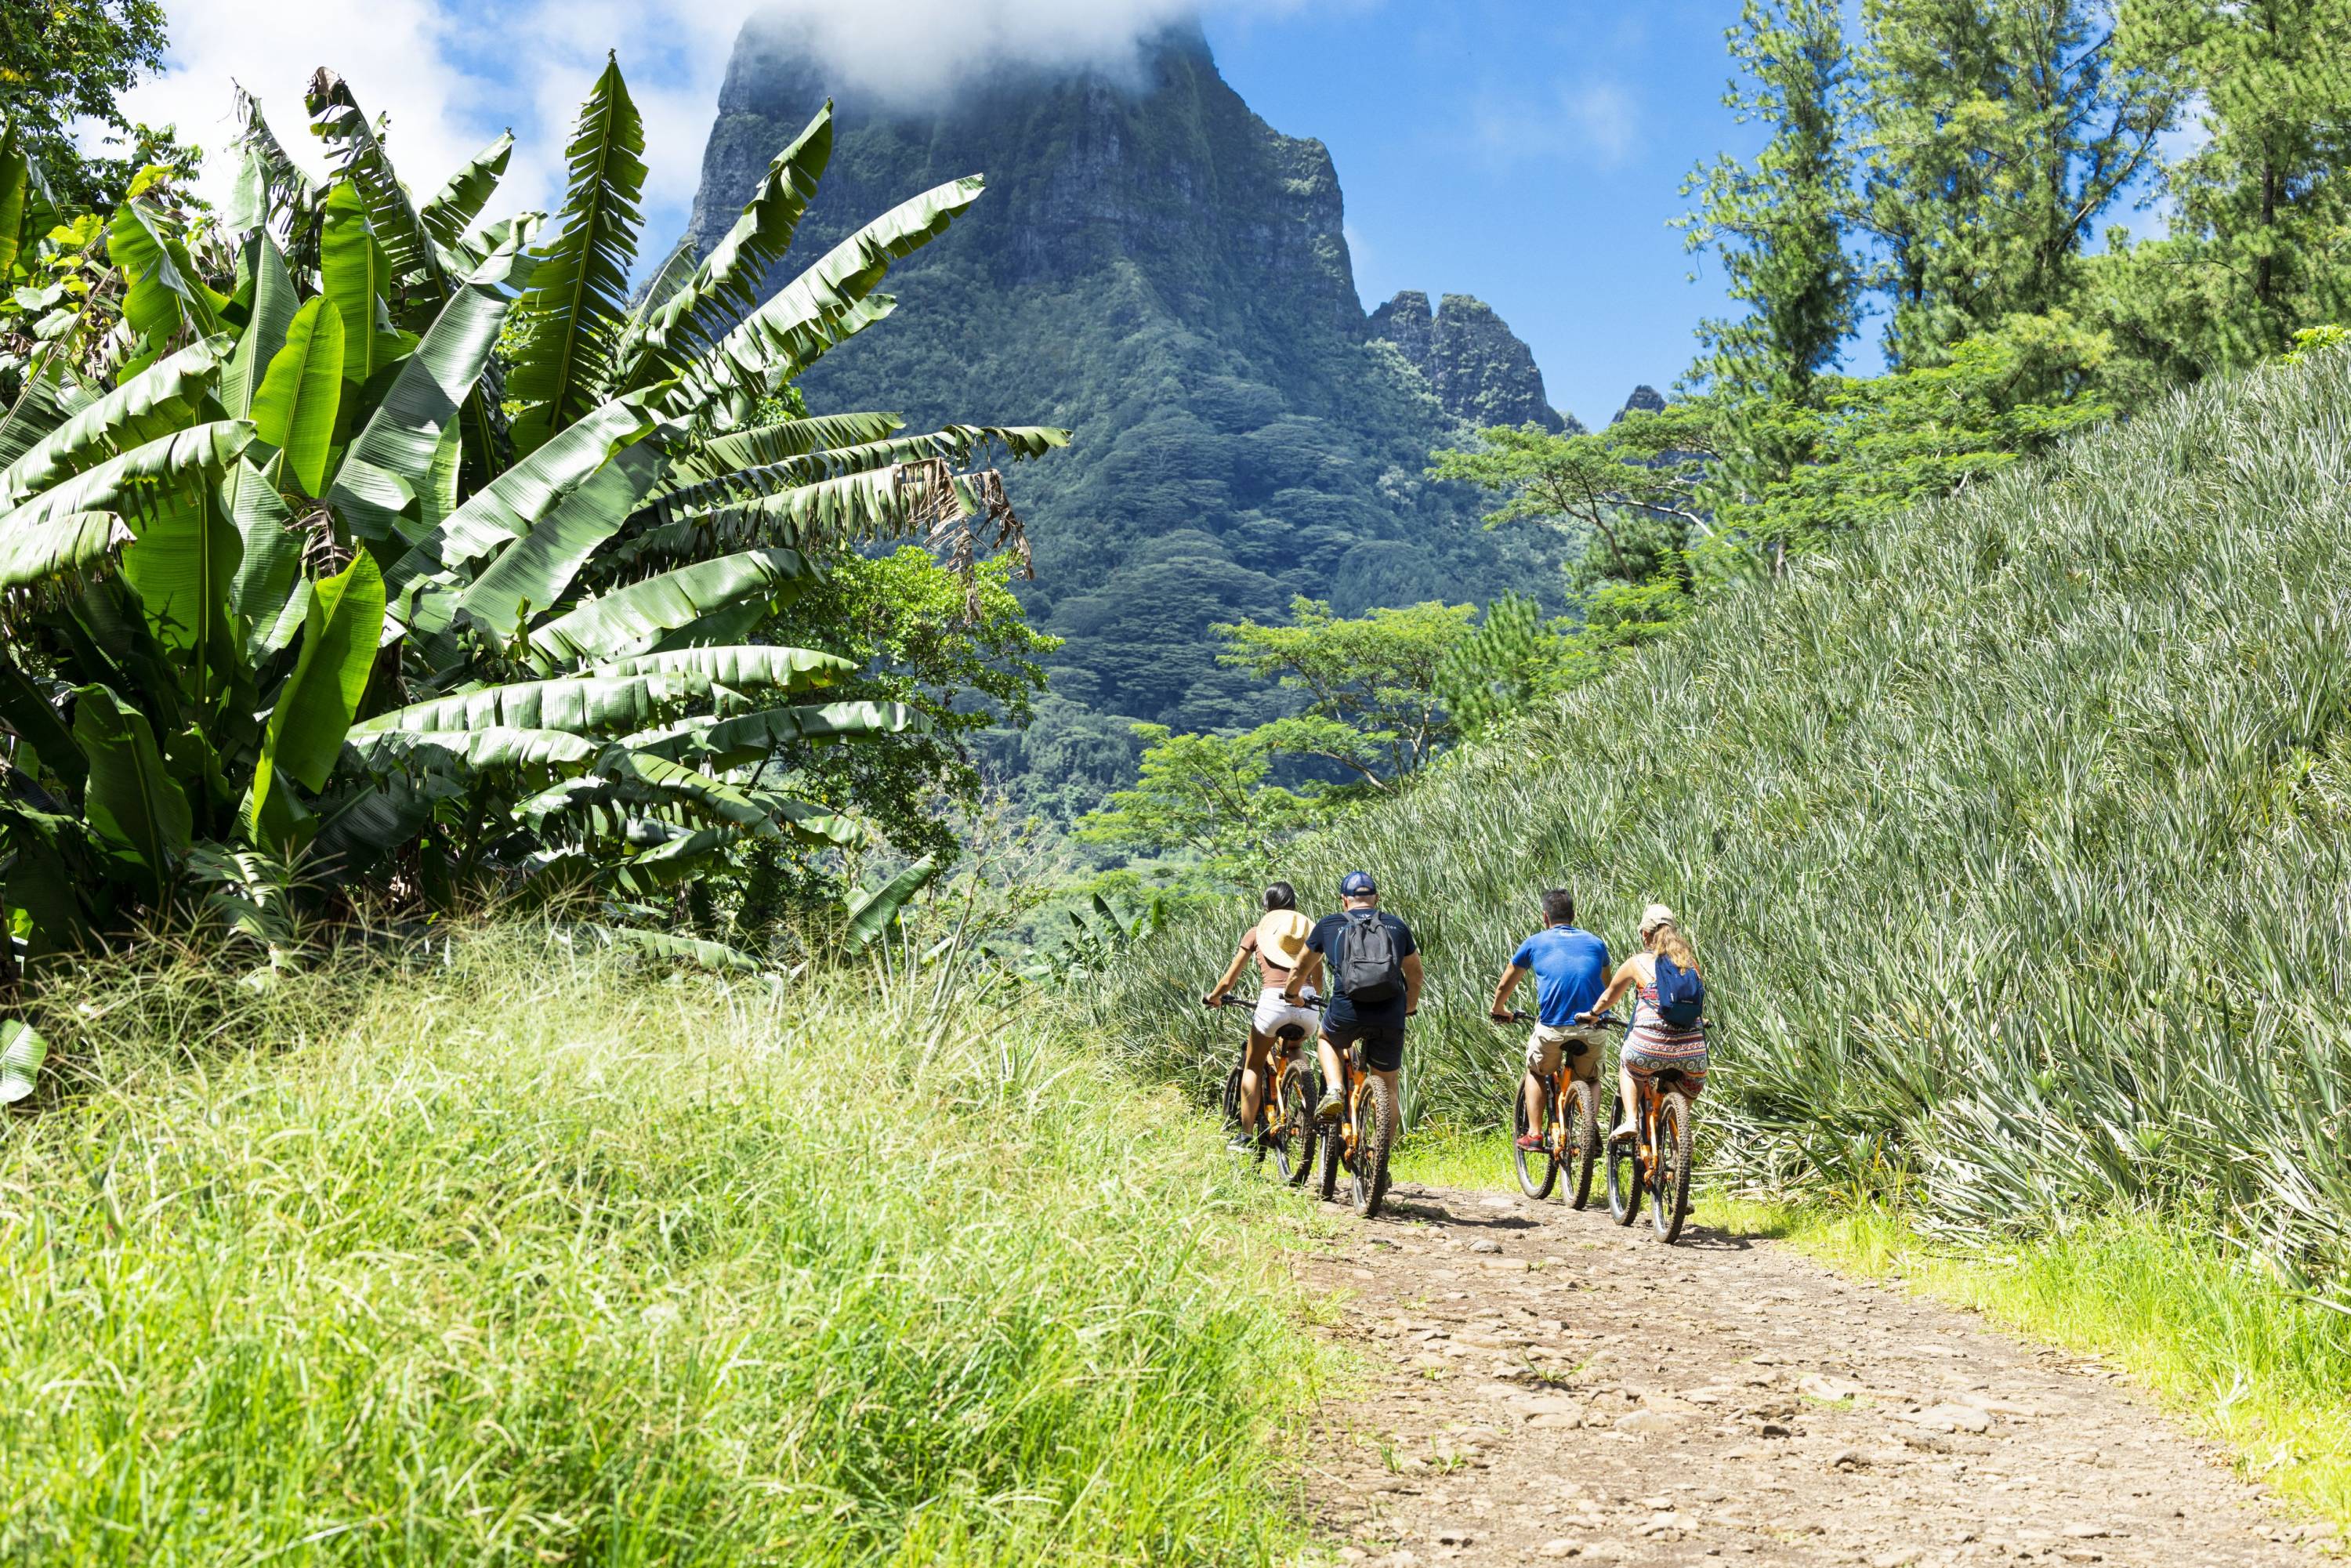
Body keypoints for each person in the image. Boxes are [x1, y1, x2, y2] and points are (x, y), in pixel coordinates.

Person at [1281, 870, 1422, 1125]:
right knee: (1389, 1088)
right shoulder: (1397, 926)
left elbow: (1300, 968)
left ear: (1344, 900)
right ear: (1376, 898)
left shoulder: (1329, 924)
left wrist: (1292, 994)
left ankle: (1335, 1088)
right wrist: (1409, 1008)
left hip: (1347, 1010)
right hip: (1390, 1013)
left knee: (1326, 1037)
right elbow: (1415, 975)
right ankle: (1380, 1162)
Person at [1487, 889, 1611, 1151]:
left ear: (1545, 917)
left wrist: (1499, 1008)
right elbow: (1608, 988)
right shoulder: (1596, 943)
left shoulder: (1534, 943)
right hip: (1593, 1026)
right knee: (1590, 1079)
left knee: (1537, 1070)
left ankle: (1534, 1133)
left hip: (1553, 1028)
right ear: (1574, 915)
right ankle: (1590, 1129)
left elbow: (1507, 982)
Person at [1202, 882, 1320, 1150]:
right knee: (1295, 1046)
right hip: (1308, 1007)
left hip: (1273, 1005)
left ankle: (1245, 1135)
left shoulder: (1256, 934)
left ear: (1267, 908)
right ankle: (1307, 1101)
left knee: (1254, 1065)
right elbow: (1318, 979)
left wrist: (1215, 996)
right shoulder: (1308, 935)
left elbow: (1232, 975)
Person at [1578, 903, 1708, 1137]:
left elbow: (1609, 997)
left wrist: (1593, 1014)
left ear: (1645, 934)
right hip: (1694, 1055)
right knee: (1679, 1119)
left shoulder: (1636, 963)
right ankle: (1678, 1150)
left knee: (1629, 1066)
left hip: (1648, 1048)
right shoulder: (1690, 964)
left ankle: (1631, 1121)